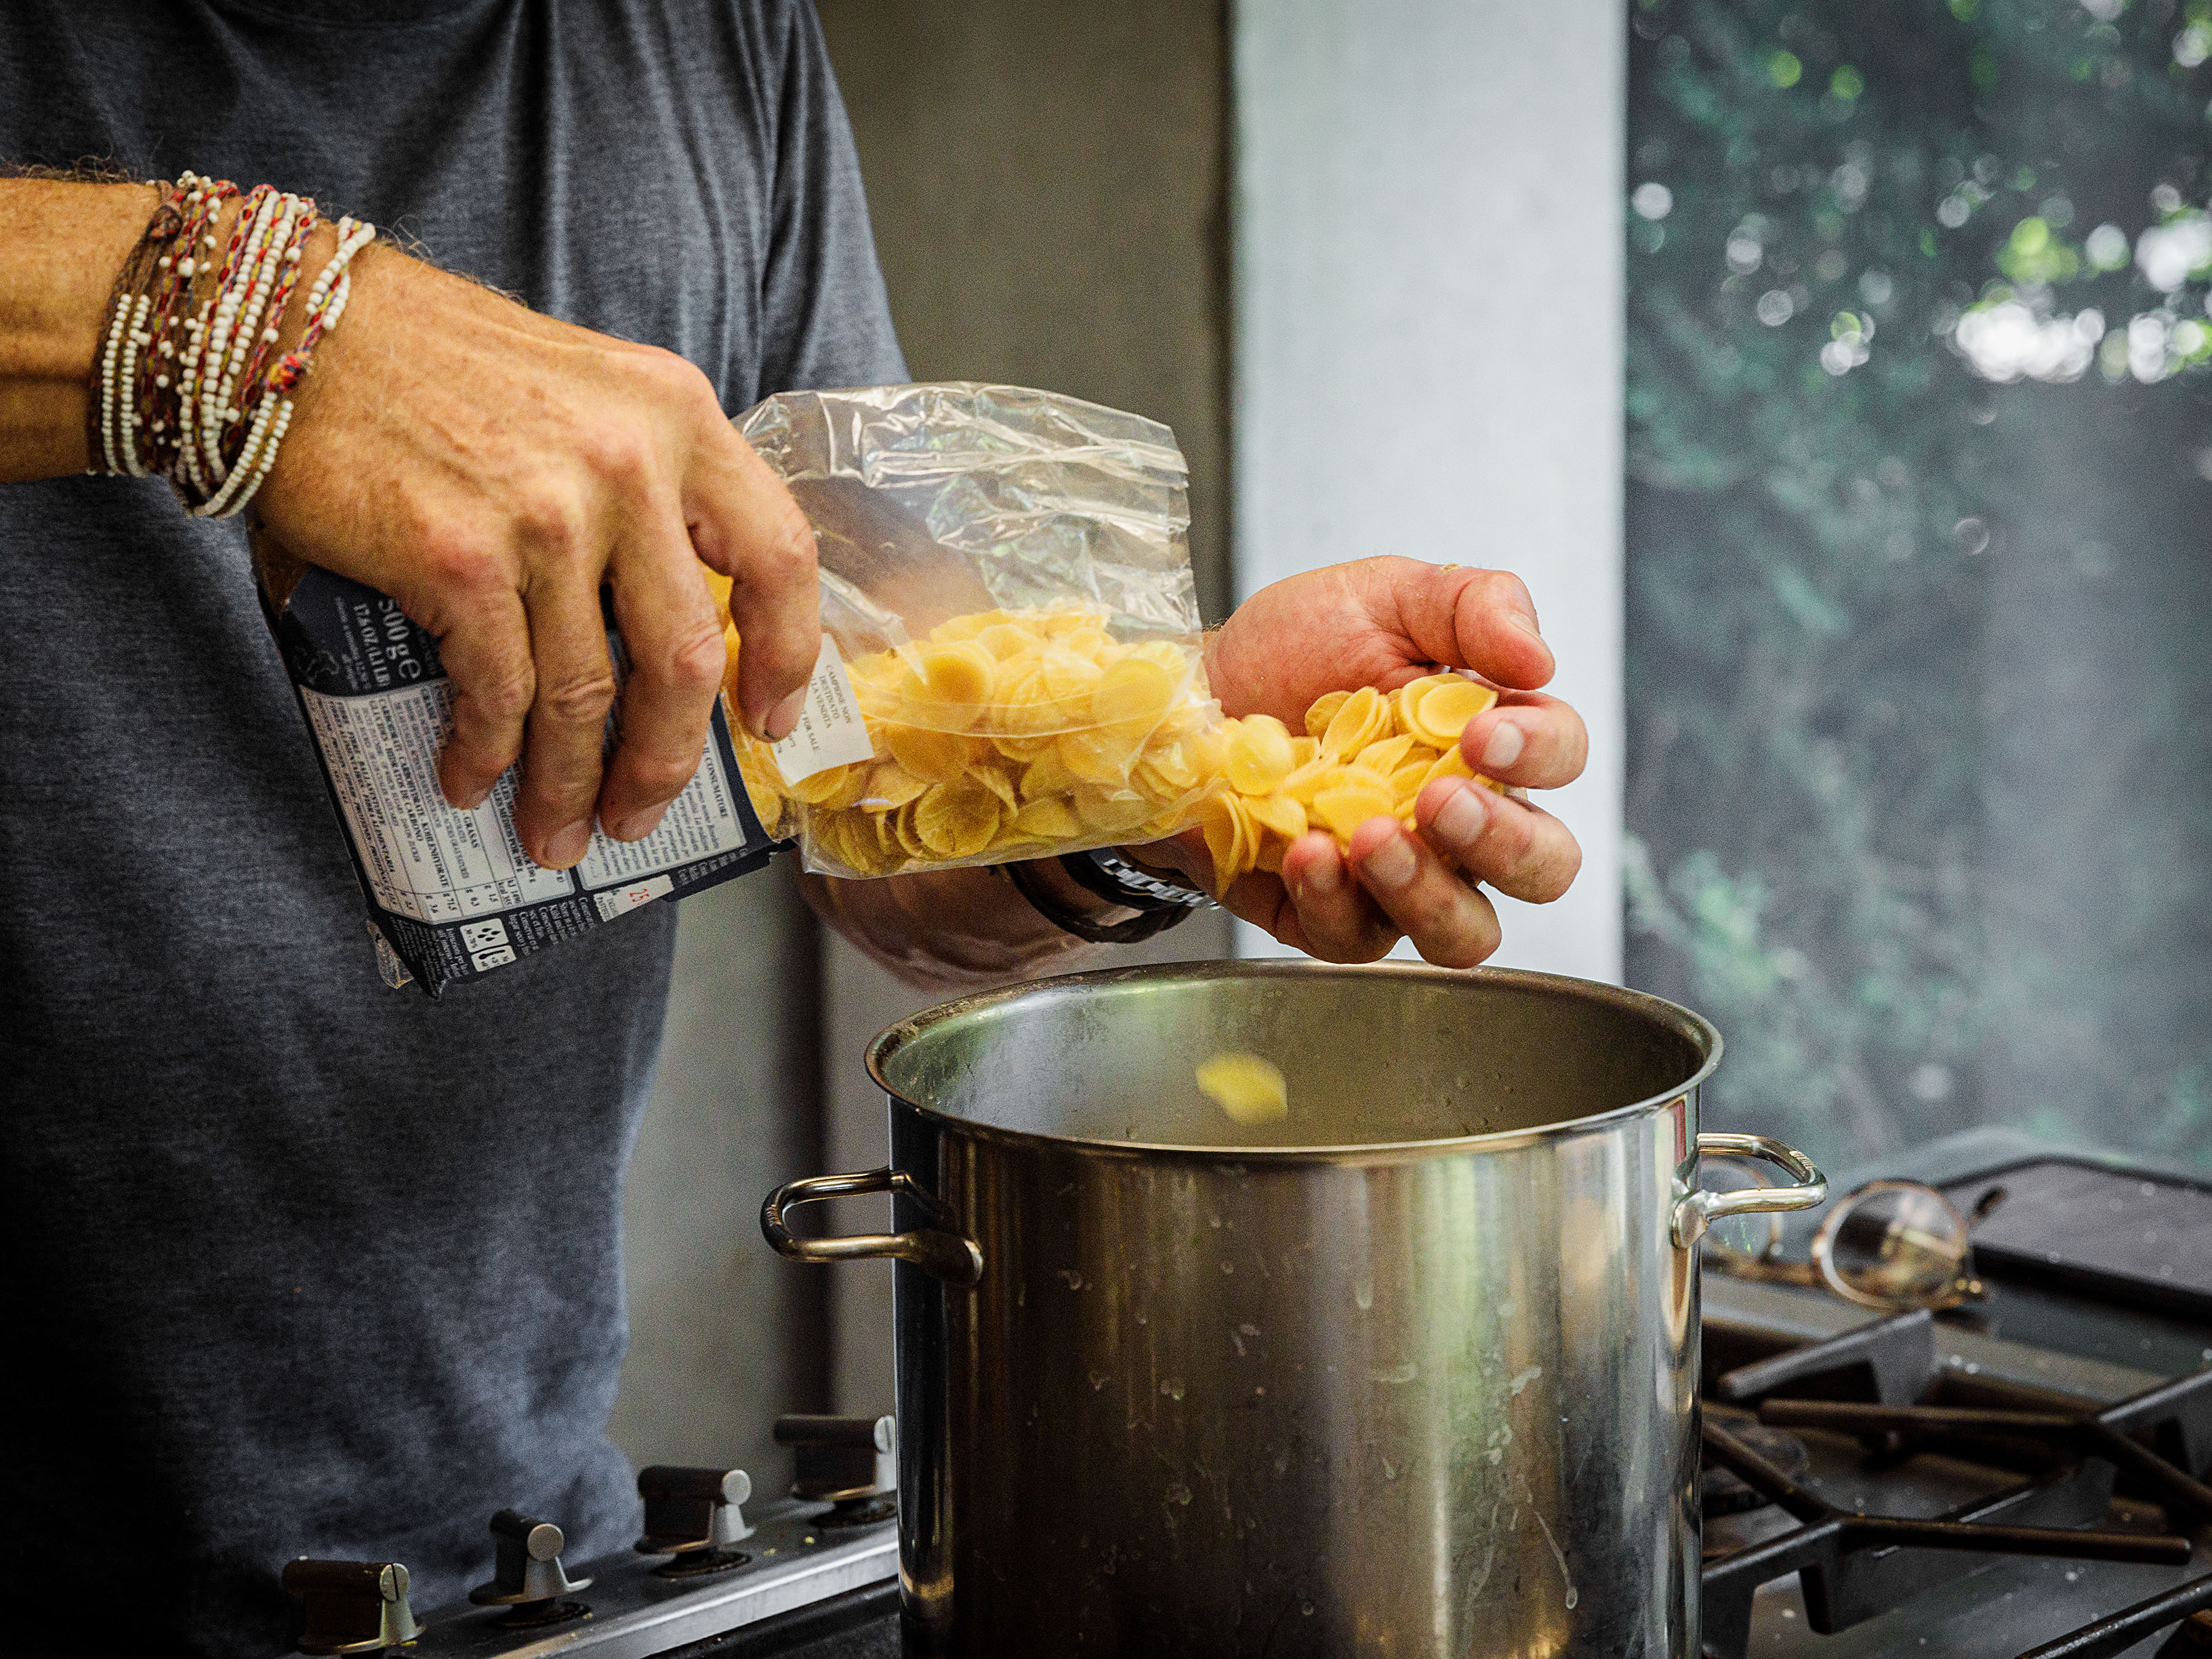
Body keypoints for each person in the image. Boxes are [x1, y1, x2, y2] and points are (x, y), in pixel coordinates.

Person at [0, 3, 1587, 1652]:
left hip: (507, 1560)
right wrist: (251, 321)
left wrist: (1150, 777)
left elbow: (853, 794)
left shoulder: (708, 33)